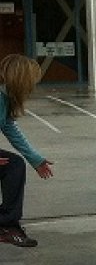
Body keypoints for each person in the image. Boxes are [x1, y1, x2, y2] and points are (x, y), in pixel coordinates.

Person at [0, 54, 53, 247]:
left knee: (14, 164)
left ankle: (7, 223)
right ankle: (6, 224)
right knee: (12, 166)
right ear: (21, 79)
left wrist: (36, 159)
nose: (33, 86)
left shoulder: (4, 97)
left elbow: (10, 129)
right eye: (32, 81)